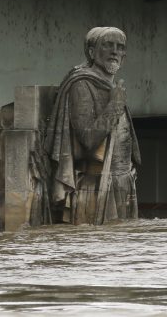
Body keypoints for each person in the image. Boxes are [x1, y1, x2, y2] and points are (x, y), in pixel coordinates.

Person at [42, 27, 140, 225]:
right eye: (108, 45)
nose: (114, 52)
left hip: (123, 182)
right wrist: (115, 105)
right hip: (96, 185)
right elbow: (87, 139)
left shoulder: (113, 88)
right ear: (91, 52)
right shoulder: (82, 85)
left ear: (124, 57)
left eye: (120, 47)